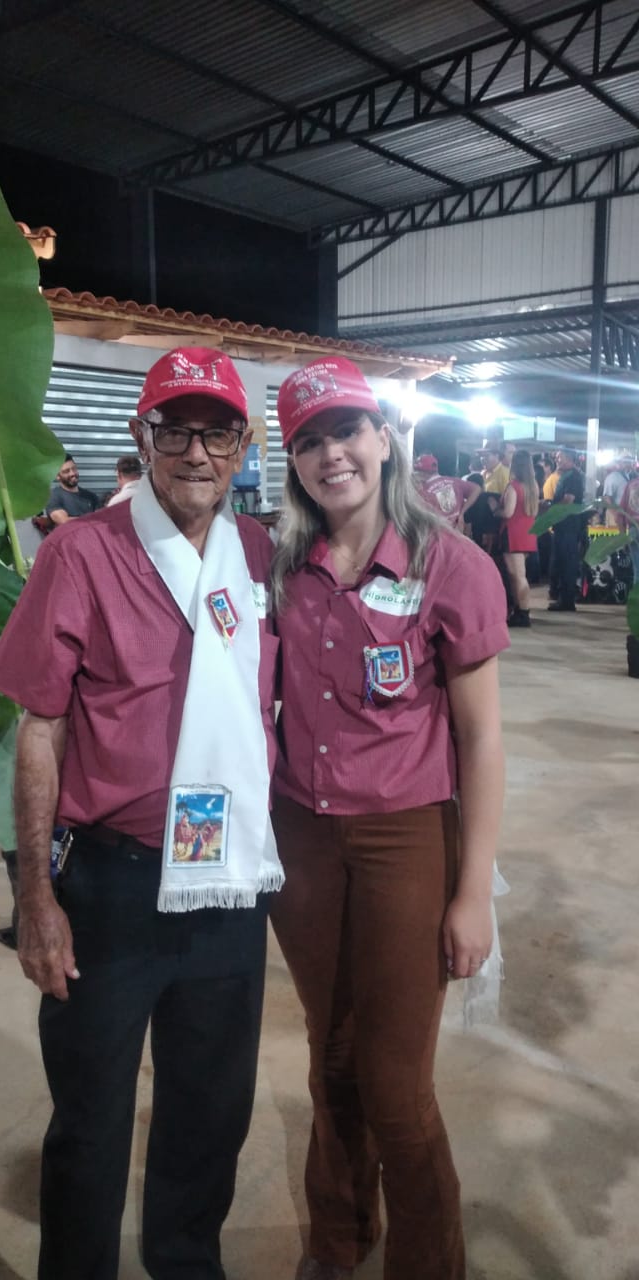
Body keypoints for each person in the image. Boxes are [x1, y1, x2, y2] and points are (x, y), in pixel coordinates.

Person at [0, 346, 284, 1280]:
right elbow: (40, 729)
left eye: (218, 431)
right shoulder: (82, 553)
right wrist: (36, 893)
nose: (197, 452)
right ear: (140, 437)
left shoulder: (259, 553)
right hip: (113, 883)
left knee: (210, 1111)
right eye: (175, 430)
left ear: (243, 443)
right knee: (92, 1119)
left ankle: (186, 1263)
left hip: (227, 884)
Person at [269, 356, 509, 1280]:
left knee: (397, 1088)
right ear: (294, 461)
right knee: (330, 1060)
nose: (332, 456)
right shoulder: (286, 567)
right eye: (309, 442)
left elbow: (482, 741)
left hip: (407, 832)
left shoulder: (455, 566)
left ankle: (427, 1261)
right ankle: (338, 1237)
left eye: (346, 433)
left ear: (383, 439)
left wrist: (473, 890)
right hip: (304, 837)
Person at [498, 449, 539, 627]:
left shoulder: (513, 486)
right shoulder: (533, 486)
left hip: (513, 534)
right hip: (528, 533)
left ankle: (523, 612)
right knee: (519, 575)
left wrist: (494, 508)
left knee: (517, 576)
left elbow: (508, 512)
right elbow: (535, 511)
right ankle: (521, 610)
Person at [548, 447, 585, 612]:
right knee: (561, 563)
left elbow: (568, 500)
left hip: (569, 526)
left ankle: (567, 601)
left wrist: (551, 508)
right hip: (562, 526)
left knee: (567, 563)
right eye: (556, 457)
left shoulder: (574, 477)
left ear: (569, 459)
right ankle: (563, 598)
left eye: (560, 457)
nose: (557, 460)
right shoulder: (565, 476)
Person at [412, 454, 481, 530]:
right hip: (458, 532)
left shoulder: (423, 491)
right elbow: (477, 489)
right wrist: (462, 512)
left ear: (420, 473)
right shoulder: (454, 481)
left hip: (439, 534)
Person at [45, 454, 99, 525]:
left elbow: (101, 520)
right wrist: (93, 519)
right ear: (57, 476)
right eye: (66, 471)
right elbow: (65, 522)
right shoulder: (53, 497)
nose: (72, 473)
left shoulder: (91, 496)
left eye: (74, 469)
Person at [602, 453, 634, 527]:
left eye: (630, 462)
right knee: (616, 537)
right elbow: (606, 498)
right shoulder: (613, 477)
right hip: (615, 514)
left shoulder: (633, 477)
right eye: (625, 462)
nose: (628, 464)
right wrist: (615, 514)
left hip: (629, 516)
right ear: (620, 463)